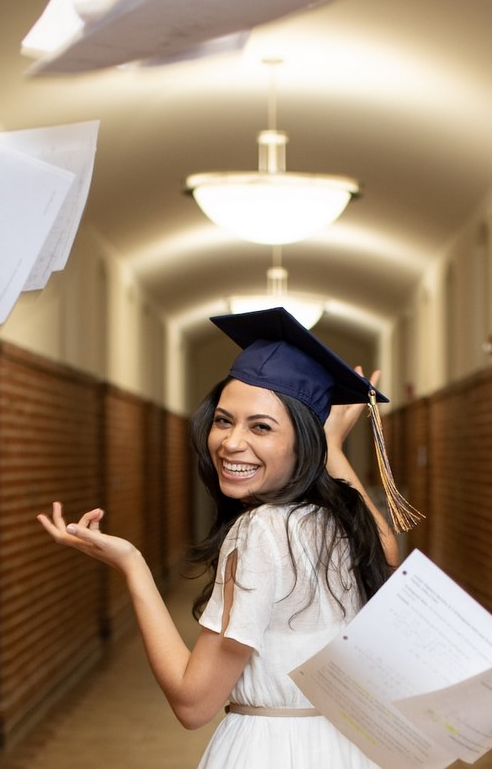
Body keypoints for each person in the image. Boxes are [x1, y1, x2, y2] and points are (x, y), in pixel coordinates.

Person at [38, 307, 421, 768]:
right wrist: (333, 448)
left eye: (260, 426)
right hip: (346, 747)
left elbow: (193, 703)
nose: (231, 442)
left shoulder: (261, 529)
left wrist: (133, 565)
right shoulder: (331, 518)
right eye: (224, 420)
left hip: (274, 752)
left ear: (304, 442)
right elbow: (388, 548)